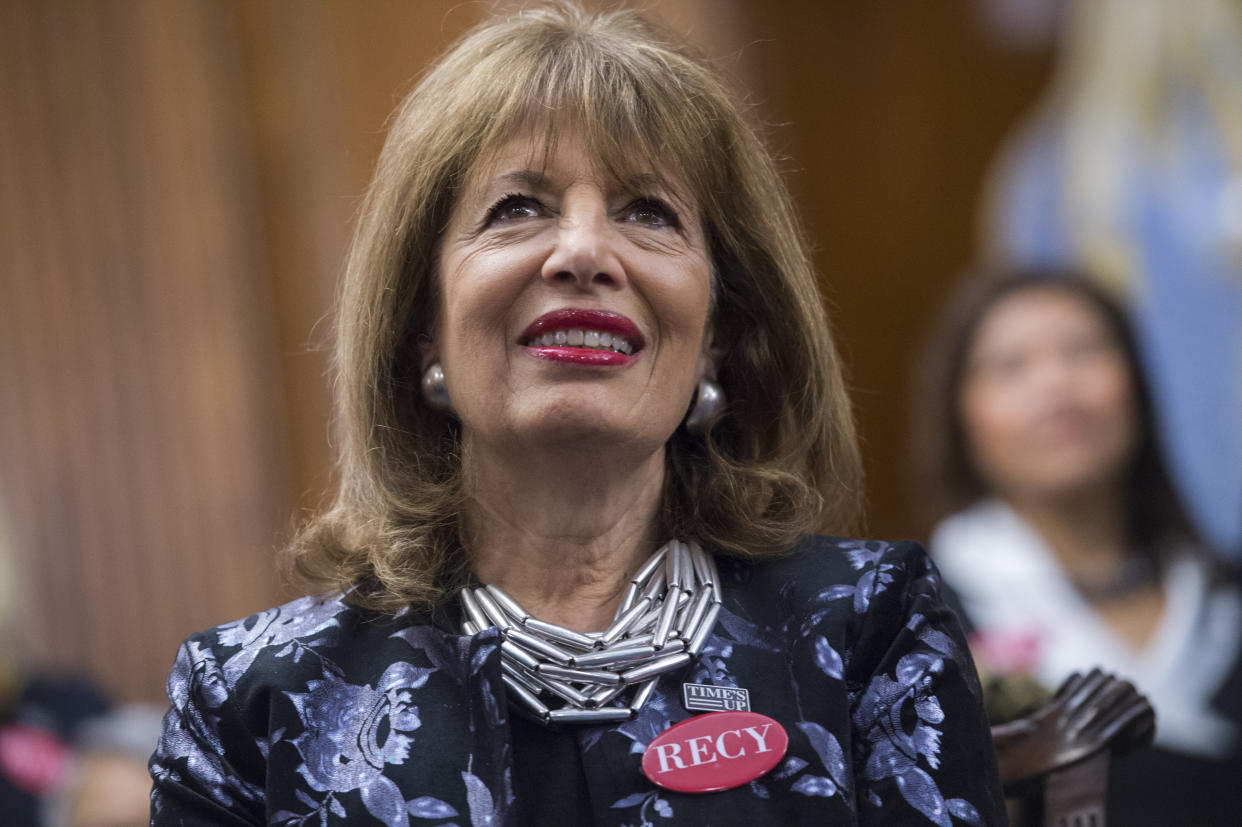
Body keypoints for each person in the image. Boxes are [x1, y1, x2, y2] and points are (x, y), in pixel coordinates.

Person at [150, 5, 1005, 824]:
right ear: (420, 331)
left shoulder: (869, 628)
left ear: (717, 339)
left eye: (649, 212)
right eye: (516, 208)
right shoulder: (252, 698)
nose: (586, 251)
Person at [915, 271, 1242, 824]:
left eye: (1084, 351)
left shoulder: (1222, 596)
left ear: (1138, 384)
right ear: (959, 416)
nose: (1056, 384)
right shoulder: (918, 617)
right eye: (1011, 367)